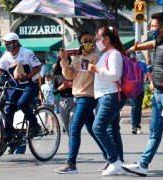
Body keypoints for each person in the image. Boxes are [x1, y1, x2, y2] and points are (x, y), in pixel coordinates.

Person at [122, 12, 163, 176]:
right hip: (159, 94)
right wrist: (134, 47)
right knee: (155, 131)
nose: (151, 29)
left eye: (153, 26)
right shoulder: (160, 41)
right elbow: (151, 44)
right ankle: (143, 165)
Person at [54, 32, 107, 174]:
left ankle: (71, 163)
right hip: (78, 96)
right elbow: (69, 75)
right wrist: (64, 60)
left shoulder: (95, 57)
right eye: (85, 41)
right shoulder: (77, 58)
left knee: (74, 128)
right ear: (80, 43)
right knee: (92, 128)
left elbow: (100, 74)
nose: (89, 43)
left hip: (88, 97)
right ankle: (110, 156)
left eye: (91, 40)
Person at [0, 32, 42, 142]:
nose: (7, 45)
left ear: (16, 43)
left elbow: (38, 67)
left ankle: (35, 126)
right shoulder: (6, 56)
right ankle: (8, 134)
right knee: (9, 107)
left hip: (31, 85)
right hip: (18, 86)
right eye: (5, 43)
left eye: (9, 43)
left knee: (22, 103)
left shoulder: (27, 53)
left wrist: (27, 76)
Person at [87, 26, 127, 176]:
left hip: (111, 96)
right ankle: (119, 162)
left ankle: (114, 160)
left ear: (106, 39)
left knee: (98, 128)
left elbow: (115, 75)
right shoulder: (107, 54)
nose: (96, 42)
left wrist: (96, 70)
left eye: (98, 39)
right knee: (112, 130)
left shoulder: (114, 54)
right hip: (107, 95)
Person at [129, 52, 153, 135]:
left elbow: (148, 74)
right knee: (134, 107)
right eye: (135, 54)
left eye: (137, 54)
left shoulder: (142, 64)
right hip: (132, 89)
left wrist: (151, 83)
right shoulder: (129, 63)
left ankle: (137, 126)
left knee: (138, 108)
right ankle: (135, 126)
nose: (136, 56)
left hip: (141, 89)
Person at [52, 55, 76, 135]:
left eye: (67, 61)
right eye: (62, 61)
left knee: (72, 126)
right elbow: (54, 92)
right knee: (67, 127)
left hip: (74, 100)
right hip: (63, 102)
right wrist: (60, 88)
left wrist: (72, 85)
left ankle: (73, 145)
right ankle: (71, 144)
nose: (64, 63)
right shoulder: (56, 75)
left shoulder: (73, 72)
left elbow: (80, 85)